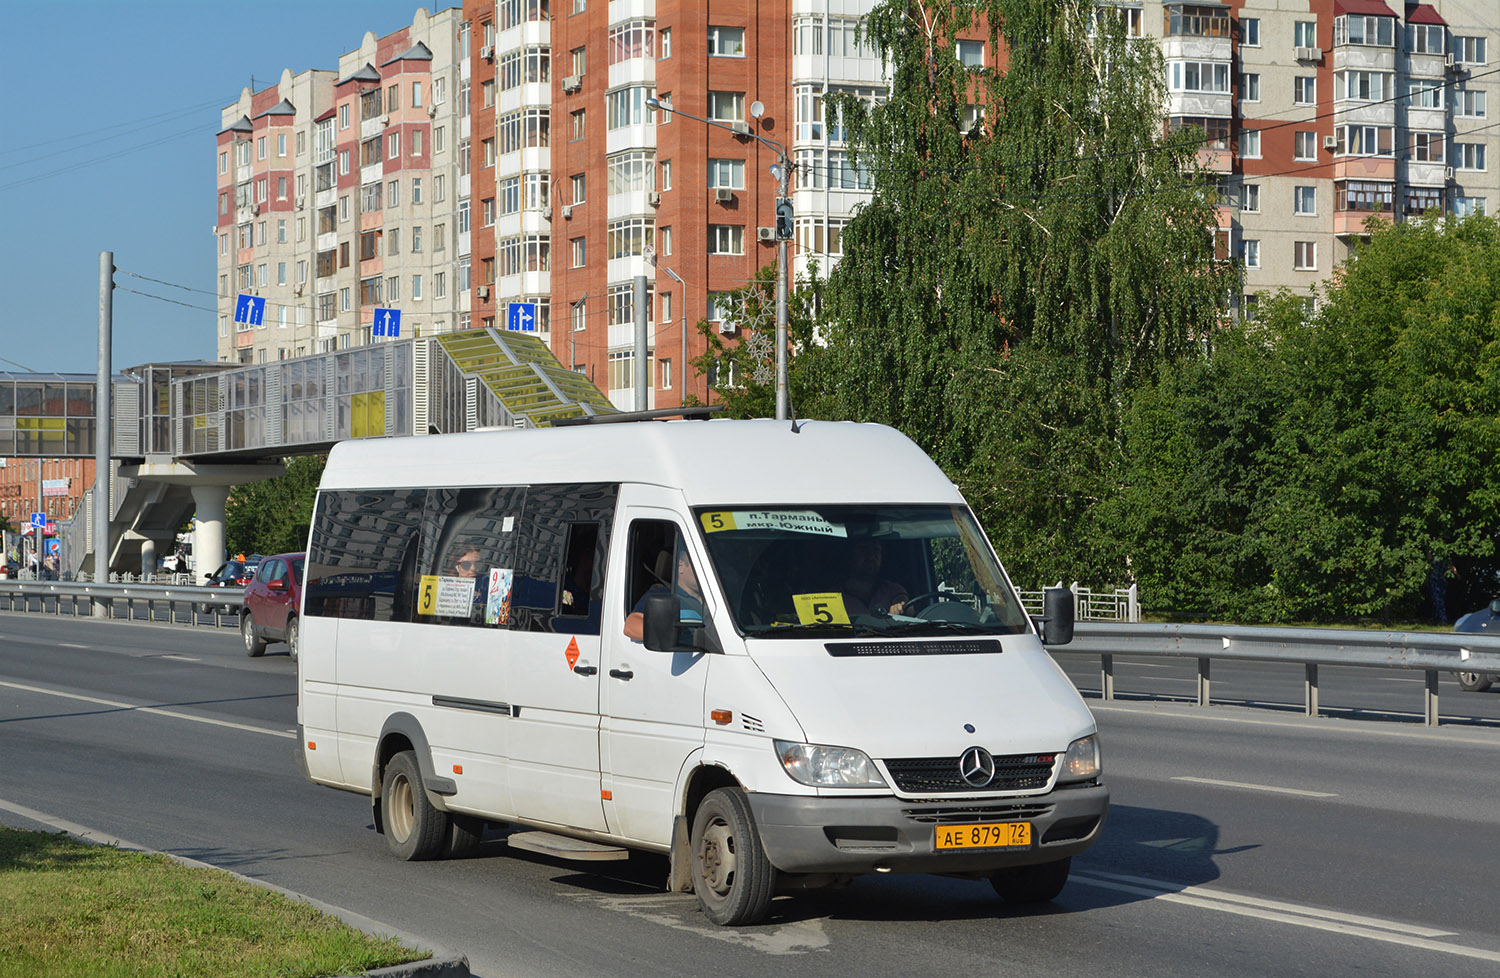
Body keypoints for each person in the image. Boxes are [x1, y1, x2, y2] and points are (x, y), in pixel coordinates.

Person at [625, 546, 704, 642]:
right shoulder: (663, 594)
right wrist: (674, 638)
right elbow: (631, 626)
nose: (706, 571)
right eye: (700, 565)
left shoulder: (716, 600)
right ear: (681, 566)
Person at [842, 539, 907, 616]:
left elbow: (906, 606)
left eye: (876, 550)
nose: (871, 556)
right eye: (864, 549)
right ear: (850, 555)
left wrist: (900, 608)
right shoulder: (834, 596)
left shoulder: (893, 590)